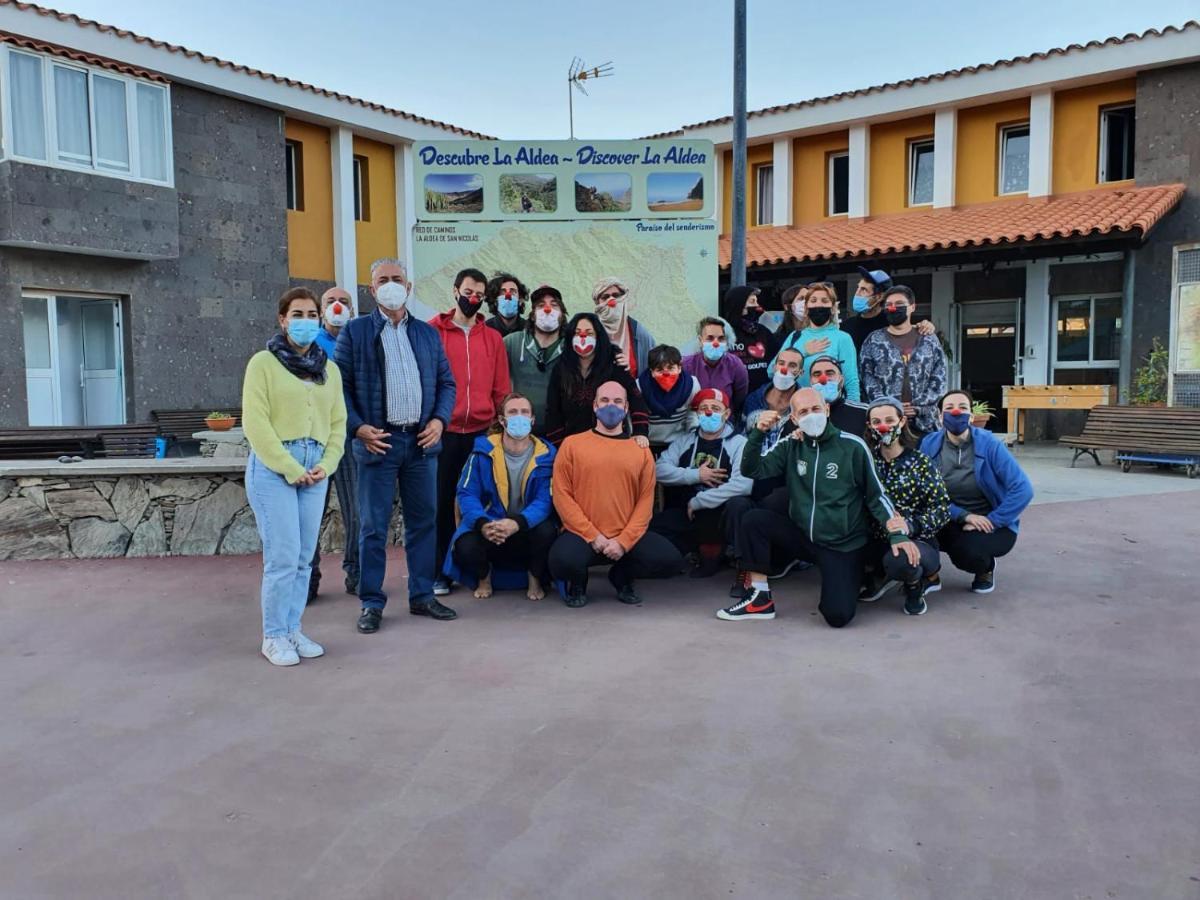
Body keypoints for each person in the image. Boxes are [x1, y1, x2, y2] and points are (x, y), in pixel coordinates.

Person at [718, 387, 918, 627]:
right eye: (803, 412)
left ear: (827, 409)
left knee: (838, 616)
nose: (811, 415)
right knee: (752, 519)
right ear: (794, 419)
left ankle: (861, 575)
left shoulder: (852, 446)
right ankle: (759, 598)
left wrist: (896, 533)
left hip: (842, 545)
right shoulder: (791, 444)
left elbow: (877, 495)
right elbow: (754, 470)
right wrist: (759, 433)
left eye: (815, 409)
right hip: (805, 537)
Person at [335, 258, 457, 634]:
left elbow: (447, 384)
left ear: (409, 285)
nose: (391, 285)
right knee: (373, 527)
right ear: (372, 290)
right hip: (378, 444)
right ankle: (371, 602)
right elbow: (338, 389)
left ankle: (422, 595)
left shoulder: (426, 333)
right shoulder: (354, 333)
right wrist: (358, 429)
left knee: (423, 523)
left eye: (397, 279)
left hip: (421, 444)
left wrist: (439, 421)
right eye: (383, 280)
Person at [242, 287, 346, 666]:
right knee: (282, 557)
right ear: (283, 320)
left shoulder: (328, 369)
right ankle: (273, 636)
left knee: (304, 558)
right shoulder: (263, 364)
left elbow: (338, 422)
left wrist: (327, 463)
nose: (305, 321)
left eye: (311, 314)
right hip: (275, 469)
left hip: (315, 466)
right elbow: (255, 423)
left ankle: (292, 628)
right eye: (297, 314)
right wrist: (290, 468)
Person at [548, 380, 684, 607]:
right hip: (582, 535)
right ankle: (579, 581)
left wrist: (623, 541)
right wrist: (593, 536)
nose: (610, 406)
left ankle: (621, 577)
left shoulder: (640, 451)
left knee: (669, 561)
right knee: (561, 561)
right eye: (605, 400)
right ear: (594, 405)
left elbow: (645, 501)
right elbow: (562, 495)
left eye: (617, 401)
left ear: (626, 408)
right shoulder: (572, 445)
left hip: (625, 535)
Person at [430, 268, 512, 595]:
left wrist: (498, 428)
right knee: (440, 502)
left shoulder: (492, 338)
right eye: (468, 292)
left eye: (479, 294)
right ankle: (439, 571)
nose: (473, 299)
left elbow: (501, 388)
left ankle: (476, 567)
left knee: (478, 502)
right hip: (443, 431)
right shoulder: (433, 331)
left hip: (480, 432)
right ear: (455, 291)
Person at [443, 393, 558, 601]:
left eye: (524, 412)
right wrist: (483, 524)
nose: (519, 417)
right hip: (491, 529)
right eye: (512, 412)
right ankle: (484, 578)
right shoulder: (482, 452)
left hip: (525, 529)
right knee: (465, 544)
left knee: (548, 531)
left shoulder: (547, 455)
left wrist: (517, 523)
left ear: (532, 420)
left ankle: (535, 578)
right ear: (502, 420)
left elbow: (545, 501)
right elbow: (466, 494)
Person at [920, 390, 1034, 594]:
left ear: (972, 416)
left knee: (968, 553)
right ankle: (931, 575)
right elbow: (924, 492)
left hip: (989, 522)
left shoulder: (989, 445)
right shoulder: (929, 444)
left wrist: (994, 520)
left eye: (963, 408)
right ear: (939, 416)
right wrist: (964, 516)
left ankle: (985, 568)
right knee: (916, 529)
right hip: (949, 516)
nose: (956, 412)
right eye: (949, 408)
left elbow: (1023, 489)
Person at [860, 397, 950, 616]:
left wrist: (911, 525)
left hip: (917, 539)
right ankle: (880, 574)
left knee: (902, 560)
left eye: (889, 419)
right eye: (877, 421)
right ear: (870, 426)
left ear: (901, 422)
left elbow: (942, 509)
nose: (883, 426)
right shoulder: (866, 461)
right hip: (877, 538)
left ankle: (914, 585)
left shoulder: (921, 462)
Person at [651, 389, 752, 578]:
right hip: (689, 512)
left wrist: (700, 500)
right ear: (697, 413)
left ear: (727, 413)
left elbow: (744, 484)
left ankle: (740, 566)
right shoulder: (685, 441)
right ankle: (689, 554)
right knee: (655, 528)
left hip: (720, 510)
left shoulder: (739, 443)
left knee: (739, 506)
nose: (708, 412)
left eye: (715, 408)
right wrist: (696, 475)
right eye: (704, 408)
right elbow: (658, 470)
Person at [307, 287, 360, 601]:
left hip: (351, 438)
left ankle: (355, 572)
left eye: (345, 302)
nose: (337, 307)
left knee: (357, 512)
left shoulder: (360, 341)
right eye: (330, 302)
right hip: (315, 440)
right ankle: (308, 577)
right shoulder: (307, 344)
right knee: (311, 511)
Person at [544, 312, 650, 446]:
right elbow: (553, 410)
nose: (582, 337)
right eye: (577, 333)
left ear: (598, 337)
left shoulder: (615, 364)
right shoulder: (560, 368)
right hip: (573, 445)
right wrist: (559, 445)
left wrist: (640, 432)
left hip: (611, 442)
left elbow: (636, 399)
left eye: (589, 333)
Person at [860, 285, 947, 438]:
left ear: (912, 307)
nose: (893, 308)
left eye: (899, 304)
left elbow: (939, 378)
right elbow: (867, 377)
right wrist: (889, 406)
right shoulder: (873, 340)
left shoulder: (928, 339)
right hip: (887, 425)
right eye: (889, 305)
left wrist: (918, 407)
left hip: (925, 424)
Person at [774, 282, 861, 401]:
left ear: (832, 308)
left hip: (831, 407)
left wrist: (853, 411)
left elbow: (851, 381)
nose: (818, 305)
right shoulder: (795, 336)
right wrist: (802, 352)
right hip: (798, 406)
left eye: (824, 301)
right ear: (806, 307)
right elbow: (771, 371)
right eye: (813, 300)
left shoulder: (843, 338)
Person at [502, 284, 568, 434]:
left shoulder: (572, 347)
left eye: (554, 305)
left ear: (562, 314)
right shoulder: (512, 342)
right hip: (519, 430)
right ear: (532, 315)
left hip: (559, 431)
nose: (547, 309)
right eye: (540, 305)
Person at [842, 267, 936, 353]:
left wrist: (926, 326)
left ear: (879, 297)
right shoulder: (846, 326)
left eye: (864, 290)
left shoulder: (892, 324)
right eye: (858, 288)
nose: (857, 293)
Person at [682, 316, 749, 414]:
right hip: (695, 423)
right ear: (700, 340)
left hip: (725, 423)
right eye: (710, 338)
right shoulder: (686, 366)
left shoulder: (736, 365)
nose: (716, 343)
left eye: (721, 338)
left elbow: (740, 399)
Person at [637, 344, 700, 449]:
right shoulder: (639, 386)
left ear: (679, 368)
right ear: (651, 372)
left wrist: (693, 440)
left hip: (679, 443)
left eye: (671, 368)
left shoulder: (692, 385)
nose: (666, 374)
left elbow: (692, 415)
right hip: (647, 444)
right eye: (659, 369)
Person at [722, 285, 781, 394]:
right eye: (752, 301)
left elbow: (778, 357)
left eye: (756, 301)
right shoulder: (724, 333)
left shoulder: (763, 331)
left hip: (762, 394)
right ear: (739, 304)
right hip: (733, 396)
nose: (757, 306)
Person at [591, 276, 655, 376]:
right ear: (598, 302)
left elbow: (654, 372)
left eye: (616, 295)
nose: (611, 301)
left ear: (623, 298)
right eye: (605, 297)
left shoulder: (641, 335)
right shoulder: (588, 332)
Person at [806, 355, 868, 435]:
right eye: (817, 374)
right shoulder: (800, 416)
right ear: (811, 382)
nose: (823, 379)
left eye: (830, 373)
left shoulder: (863, 413)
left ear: (841, 381)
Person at [484, 272, 528, 338]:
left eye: (513, 292)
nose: (508, 295)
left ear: (521, 299)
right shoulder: (485, 329)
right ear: (495, 301)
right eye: (502, 292)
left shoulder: (529, 329)